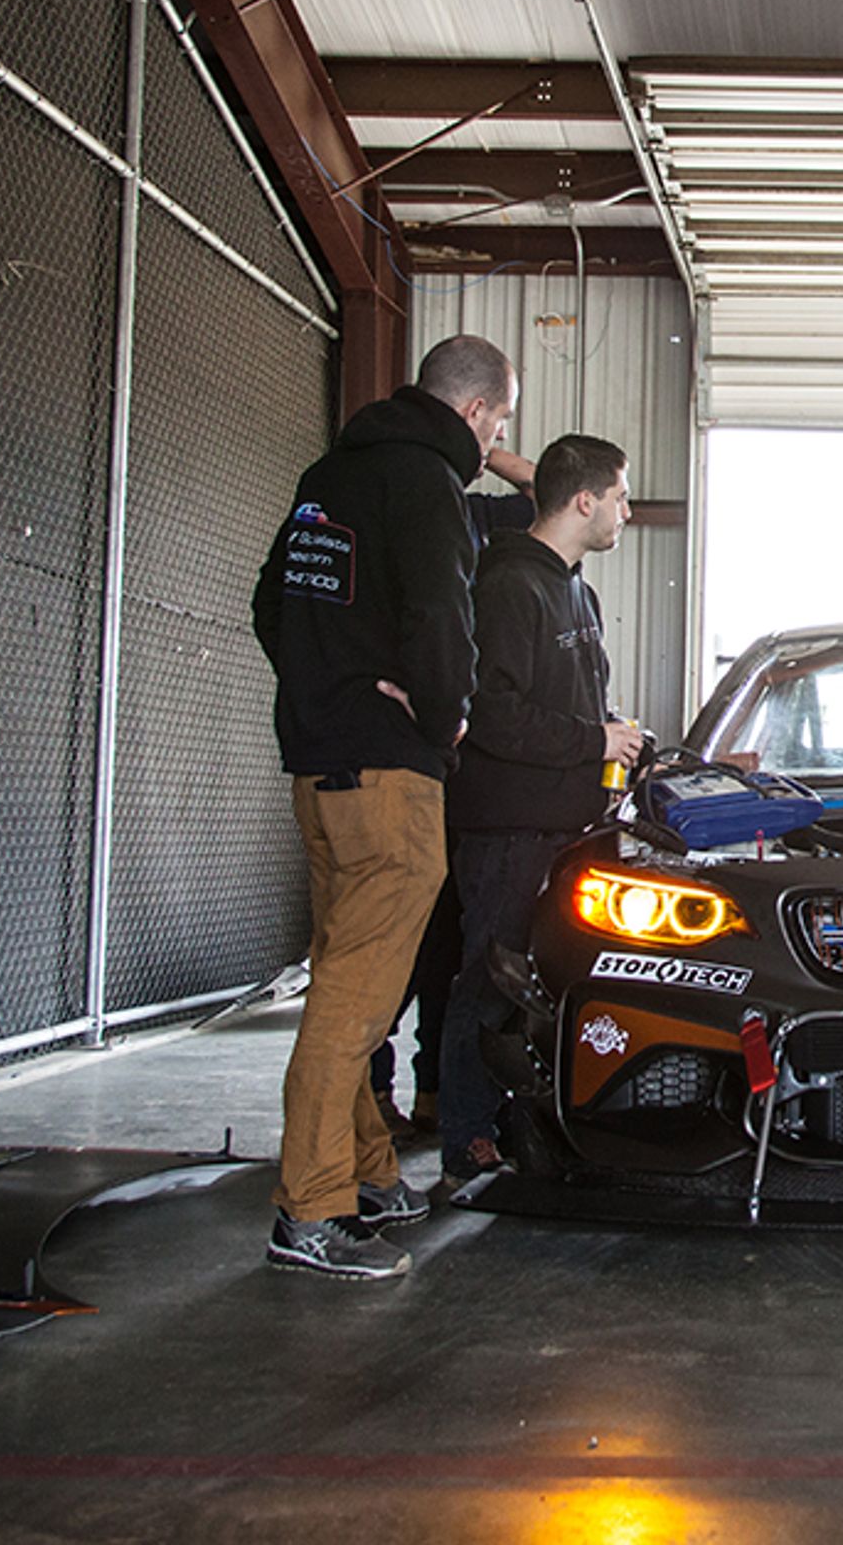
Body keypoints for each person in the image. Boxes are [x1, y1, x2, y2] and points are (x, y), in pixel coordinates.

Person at [249, 334, 517, 1280]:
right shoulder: (429, 486)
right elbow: (443, 622)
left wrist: (329, 691)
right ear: (481, 416)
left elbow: (268, 604)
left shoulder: (331, 473)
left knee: (344, 976)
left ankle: (365, 1174)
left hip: (318, 769)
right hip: (391, 777)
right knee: (356, 999)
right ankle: (310, 1210)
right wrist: (440, 721)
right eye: (499, 424)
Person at [436, 434, 647, 1186]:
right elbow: (489, 713)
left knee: (544, 983)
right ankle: (465, 1138)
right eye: (620, 496)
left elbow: (572, 703)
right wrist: (595, 736)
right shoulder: (508, 586)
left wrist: (618, 737)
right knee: (489, 978)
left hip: (569, 828)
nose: (627, 510)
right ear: (584, 500)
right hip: (507, 828)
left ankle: (530, 1120)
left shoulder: (575, 590)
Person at [372, 472, 537, 1139]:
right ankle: (373, 1088)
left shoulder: (473, 514)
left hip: (463, 783)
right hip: (420, 770)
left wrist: (482, 444)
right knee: (403, 948)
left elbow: (545, 486)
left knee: (448, 949)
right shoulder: (410, 514)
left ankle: (434, 1093)